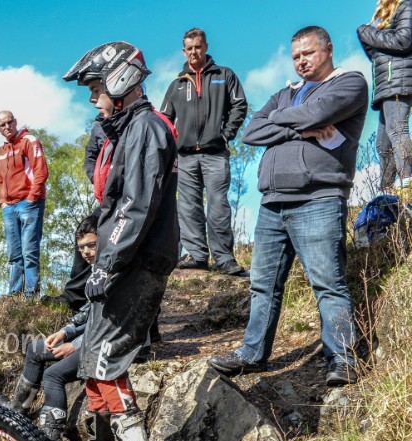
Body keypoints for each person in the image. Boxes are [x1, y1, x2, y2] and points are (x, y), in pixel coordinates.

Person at [208, 26, 368, 387]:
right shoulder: (285, 92)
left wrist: (282, 120)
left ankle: (343, 360)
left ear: (328, 49)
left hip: (318, 198)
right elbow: (251, 132)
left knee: (328, 284)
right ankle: (252, 354)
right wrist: (300, 128)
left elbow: (318, 113)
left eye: (308, 53)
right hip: (272, 202)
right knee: (262, 285)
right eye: (296, 56)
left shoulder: (350, 83)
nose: (301, 62)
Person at [64, 41, 179, 441]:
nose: (93, 98)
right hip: (124, 260)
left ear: (120, 80)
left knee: (107, 359)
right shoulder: (127, 130)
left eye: (96, 88)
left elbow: (136, 205)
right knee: (92, 358)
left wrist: (106, 265)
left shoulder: (146, 128)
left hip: (137, 261)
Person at [3, 216, 99, 441]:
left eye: (91, 245)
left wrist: (75, 345)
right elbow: (90, 313)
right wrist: (65, 331)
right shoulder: (95, 271)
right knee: (35, 350)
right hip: (91, 337)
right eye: (81, 247)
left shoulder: (112, 272)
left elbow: (108, 323)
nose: (86, 252)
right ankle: (18, 412)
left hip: (102, 345)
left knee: (53, 375)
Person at [161, 28, 249, 275]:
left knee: (218, 206)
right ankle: (197, 256)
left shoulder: (224, 75)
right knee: (188, 207)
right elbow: (165, 120)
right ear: (183, 51)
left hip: (215, 153)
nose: (194, 52)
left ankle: (224, 258)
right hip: (184, 156)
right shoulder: (177, 84)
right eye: (189, 48)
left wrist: (225, 134)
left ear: (206, 47)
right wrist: (170, 151)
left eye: (198, 47)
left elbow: (239, 105)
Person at [359, 0, 412, 191]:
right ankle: (385, 190)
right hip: (388, 82)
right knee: (383, 143)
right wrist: (368, 36)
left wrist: (368, 33)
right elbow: (376, 54)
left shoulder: (406, 5)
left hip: (398, 79)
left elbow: (404, 41)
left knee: (397, 130)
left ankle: (408, 180)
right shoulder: (389, 13)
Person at [0, 110, 49, 297]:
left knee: (29, 251)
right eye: (2, 125)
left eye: (9, 122)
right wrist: (2, 202)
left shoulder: (29, 141)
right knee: (14, 254)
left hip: (29, 203)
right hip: (9, 207)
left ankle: (32, 295)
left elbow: (41, 171)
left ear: (15, 122)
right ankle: (15, 296)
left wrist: (32, 197)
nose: (7, 127)